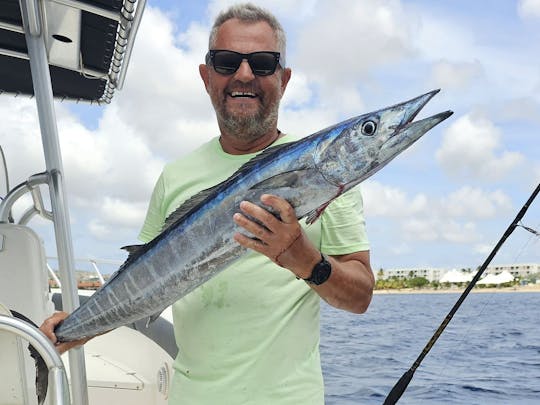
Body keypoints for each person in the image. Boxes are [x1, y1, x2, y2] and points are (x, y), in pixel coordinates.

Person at [41, 3, 375, 404]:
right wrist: (75, 328)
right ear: (206, 76)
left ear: (284, 79)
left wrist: (304, 259)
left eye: (264, 63)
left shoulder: (331, 181)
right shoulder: (176, 177)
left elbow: (360, 297)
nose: (245, 75)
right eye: (227, 61)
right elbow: (142, 283)